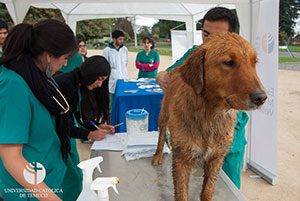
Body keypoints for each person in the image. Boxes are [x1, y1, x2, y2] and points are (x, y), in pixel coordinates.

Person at [156, 7, 248, 189]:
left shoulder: (241, 59)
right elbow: (172, 71)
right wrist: (162, 75)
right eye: (206, 34)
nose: (209, 41)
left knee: (226, 189)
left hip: (228, 138)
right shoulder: (196, 53)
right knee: (199, 184)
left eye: (218, 37)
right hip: (198, 137)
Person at [0, 19, 77, 200]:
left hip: (47, 178)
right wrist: (49, 197)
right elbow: (12, 157)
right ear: (49, 56)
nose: (66, 64)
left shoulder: (37, 76)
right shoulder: (14, 85)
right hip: (29, 191)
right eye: (65, 58)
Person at [53, 56, 115, 201]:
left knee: (75, 175)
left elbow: (78, 115)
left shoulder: (79, 85)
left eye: (103, 81)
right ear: (90, 72)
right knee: (69, 178)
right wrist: (89, 135)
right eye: (99, 79)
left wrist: (96, 125)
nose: (100, 85)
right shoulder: (65, 84)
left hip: (67, 139)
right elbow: (61, 123)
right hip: (55, 139)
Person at [102, 30, 128, 110]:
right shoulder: (107, 51)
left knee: (123, 101)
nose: (121, 41)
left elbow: (125, 63)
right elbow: (105, 66)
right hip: (112, 81)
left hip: (123, 78)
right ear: (114, 39)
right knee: (112, 104)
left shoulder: (124, 50)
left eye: (122, 39)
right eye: (120, 39)